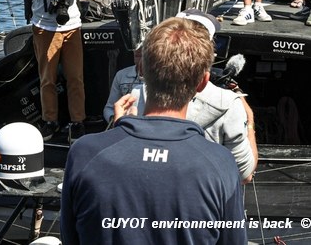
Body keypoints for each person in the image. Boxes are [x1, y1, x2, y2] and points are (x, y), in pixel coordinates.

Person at [61, 17, 246, 244]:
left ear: (141, 70)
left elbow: (71, 237)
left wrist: (118, 133)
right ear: (203, 82)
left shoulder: (84, 153)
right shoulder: (220, 163)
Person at [103, 10, 258, 183]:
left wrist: (120, 129)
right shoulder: (229, 104)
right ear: (203, 80)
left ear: (144, 69)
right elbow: (244, 175)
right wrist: (249, 120)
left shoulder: (133, 99)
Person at [20, 0, 87, 143]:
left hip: (72, 25)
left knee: (75, 77)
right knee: (47, 79)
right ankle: (50, 121)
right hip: (45, 27)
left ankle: (78, 122)